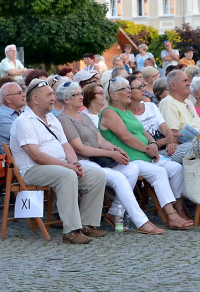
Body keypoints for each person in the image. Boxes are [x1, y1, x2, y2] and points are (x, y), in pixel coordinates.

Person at [56, 81, 164, 235]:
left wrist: (116, 149)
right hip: (82, 163)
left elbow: (100, 141)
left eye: (81, 93)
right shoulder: (64, 119)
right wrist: (110, 154)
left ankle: (115, 213)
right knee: (119, 178)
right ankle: (141, 221)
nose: (81, 96)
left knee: (132, 168)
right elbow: (80, 149)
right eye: (76, 94)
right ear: (66, 99)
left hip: (97, 162)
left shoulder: (83, 116)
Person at [10, 79, 108, 244]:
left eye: (53, 94)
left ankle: (87, 224)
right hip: (33, 170)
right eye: (49, 95)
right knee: (67, 175)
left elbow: (66, 145)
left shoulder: (52, 118)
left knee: (97, 175)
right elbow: (36, 156)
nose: (54, 98)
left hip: (60, 166)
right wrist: (68, 167)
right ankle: (71, 231)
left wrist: (76, 163)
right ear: (35, 99)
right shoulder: (23, 122)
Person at [99, 77, 192, 229]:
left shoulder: (126, 111)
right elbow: (125, 136)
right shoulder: (109, 112)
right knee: (159, 172)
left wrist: (153, 144)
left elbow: (144, 131)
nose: (129, 91)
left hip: (145, 155)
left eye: (129, 88)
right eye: (125, 89)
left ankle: (176, 207)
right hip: (129, 158)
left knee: (176, 168)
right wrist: (147, 149)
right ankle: (171, 215)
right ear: (113, 95)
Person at [0, 82, 26, 151]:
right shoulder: (2, 118)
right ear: (8, 99)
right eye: (19, 93)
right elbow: (24, 137)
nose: (23, 95)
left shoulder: (21, 113)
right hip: (17, 158)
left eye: (22, 92)